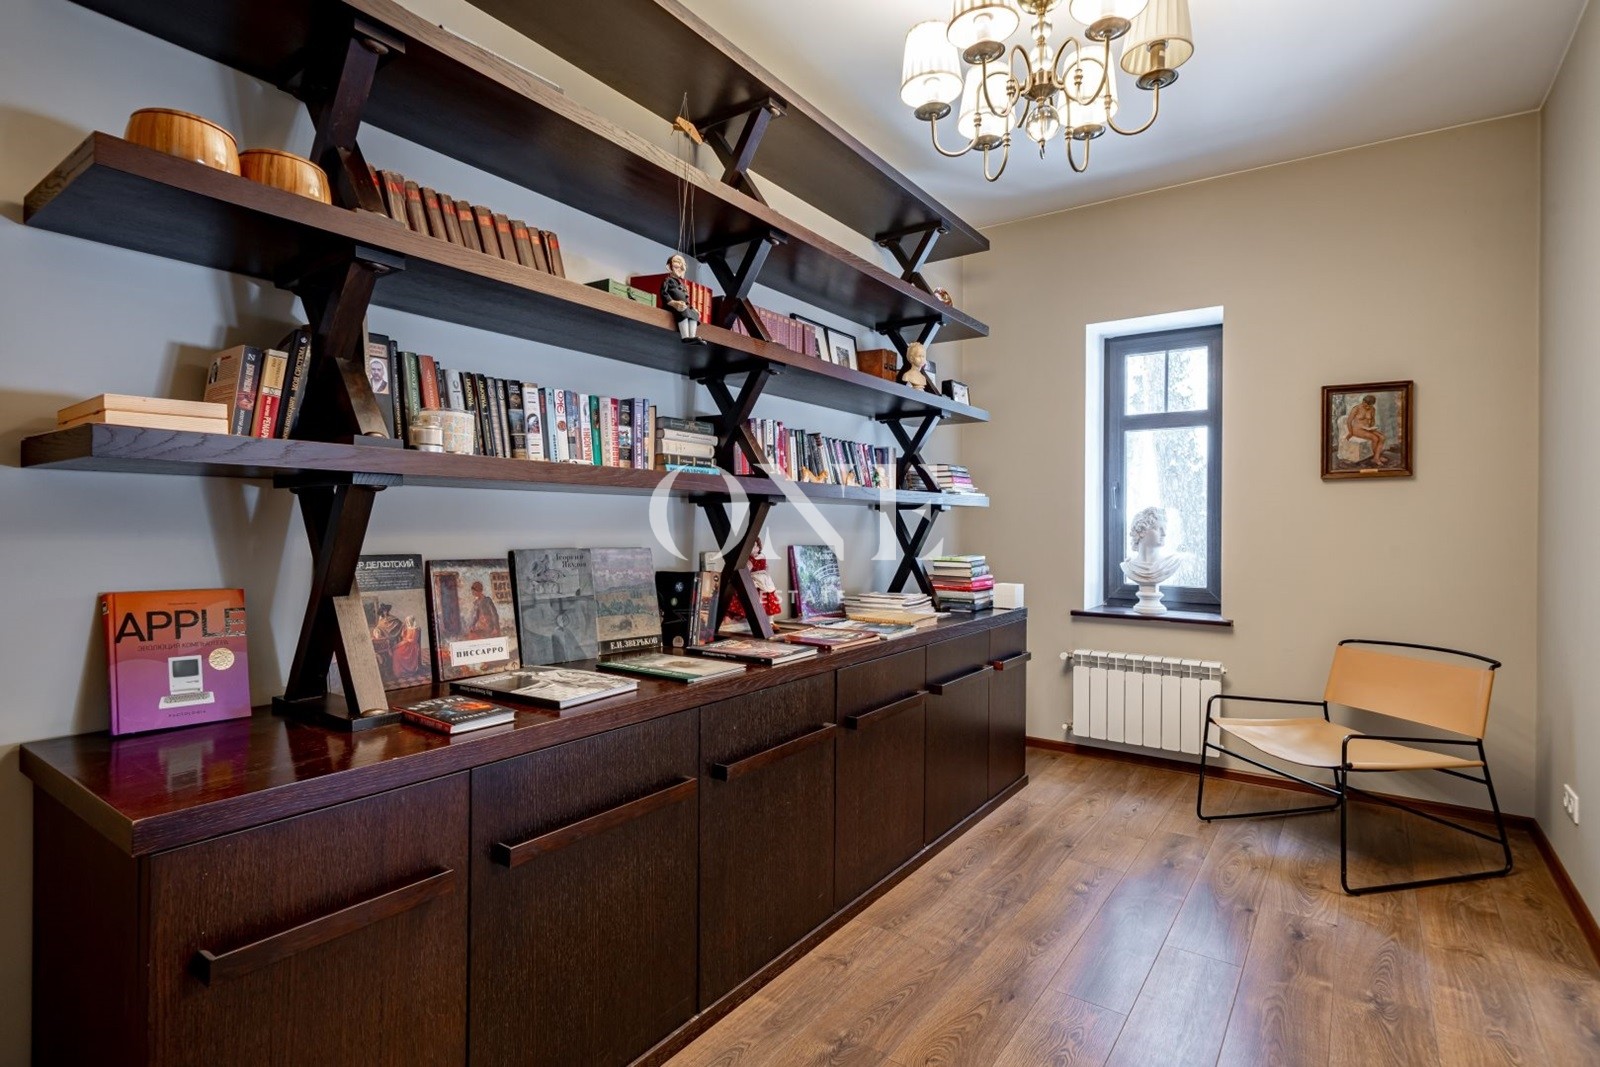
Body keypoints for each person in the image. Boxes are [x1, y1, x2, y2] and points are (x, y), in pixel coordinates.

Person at [1120, 507, 1186, 587]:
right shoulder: (1129, 566)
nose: (1164, 534)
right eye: (1158, 529)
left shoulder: (1170, 563)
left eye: (1164, 529)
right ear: (1141, 531)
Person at [662, 253, 704, 344]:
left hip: (683, 306)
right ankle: (685, 336)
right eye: (677, 263)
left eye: (683, 265)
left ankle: (692, 336)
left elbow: (686, 299)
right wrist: (673, 303)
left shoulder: (682, 284)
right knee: (683, 311)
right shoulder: (668, 280)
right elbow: (664, 293)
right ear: (669, 267)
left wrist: (692, 308)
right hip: (673, 306)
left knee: (693, 314)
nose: (681, 268)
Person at [1344, 394, 1386, 466]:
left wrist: (1371, 427)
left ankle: (1377, 456)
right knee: (1375, 438)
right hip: (1357, 429)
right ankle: (1376, 458)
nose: (1367, 407)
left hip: (1367, 429)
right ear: (1363, 402)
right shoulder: (1356, 408)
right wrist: (1350, 432)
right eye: (1366, 405)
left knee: (1382, 437)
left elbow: (1372, 420)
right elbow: (1349, 421)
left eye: (1369, 406)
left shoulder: (1372, 409)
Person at [368, 602, 401, 681]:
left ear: (387, 610)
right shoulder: (381, 620)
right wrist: (377, 631)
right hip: (384, 639)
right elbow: (378, 628)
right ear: (382, 612)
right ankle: (385, 671)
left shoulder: (393, 619)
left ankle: (391, 671)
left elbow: (399, 625)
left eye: (386, 610)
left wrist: (391, 635)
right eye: (383, 611)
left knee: (388, 652)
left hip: (392, 639)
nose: (385, 612)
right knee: (382, 651)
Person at [391, 615, 423, 682]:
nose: (407, 623)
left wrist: (405, 640)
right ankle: (400, 671)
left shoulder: (415, 629)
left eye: (408, 621)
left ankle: (406, 670)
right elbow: (403, 637)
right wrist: (403, 631)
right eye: (407, 622)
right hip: (406, 645)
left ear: (411, 621)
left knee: (398, 653)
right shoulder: (407, 628)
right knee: (396, 651)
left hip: (412, 647)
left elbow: (413, 640)